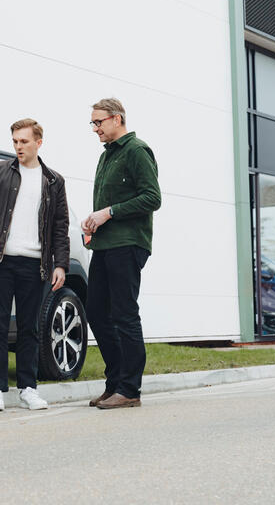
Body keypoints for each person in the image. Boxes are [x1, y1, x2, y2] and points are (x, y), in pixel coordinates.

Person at [0, 118, 70, 412]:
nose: (18, 146)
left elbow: (60, 226)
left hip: (35, 264)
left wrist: (60, 264)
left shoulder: (54, 181)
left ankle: (28, 389)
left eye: (24, 141)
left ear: (38, 143)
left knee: (30, 328)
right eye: (15, 141)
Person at [82, 98, 161, 409]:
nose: (95, 128)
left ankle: (130, 389)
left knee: (124, 314)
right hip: (104, 245)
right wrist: (94, 224)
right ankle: (115, 382)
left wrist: (109, 212)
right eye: (92, 123)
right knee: (96, 312)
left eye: (98, 122)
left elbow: (152, 198)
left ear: (117, 119)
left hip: (128, 244)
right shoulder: (107, 156)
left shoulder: (137, 150)